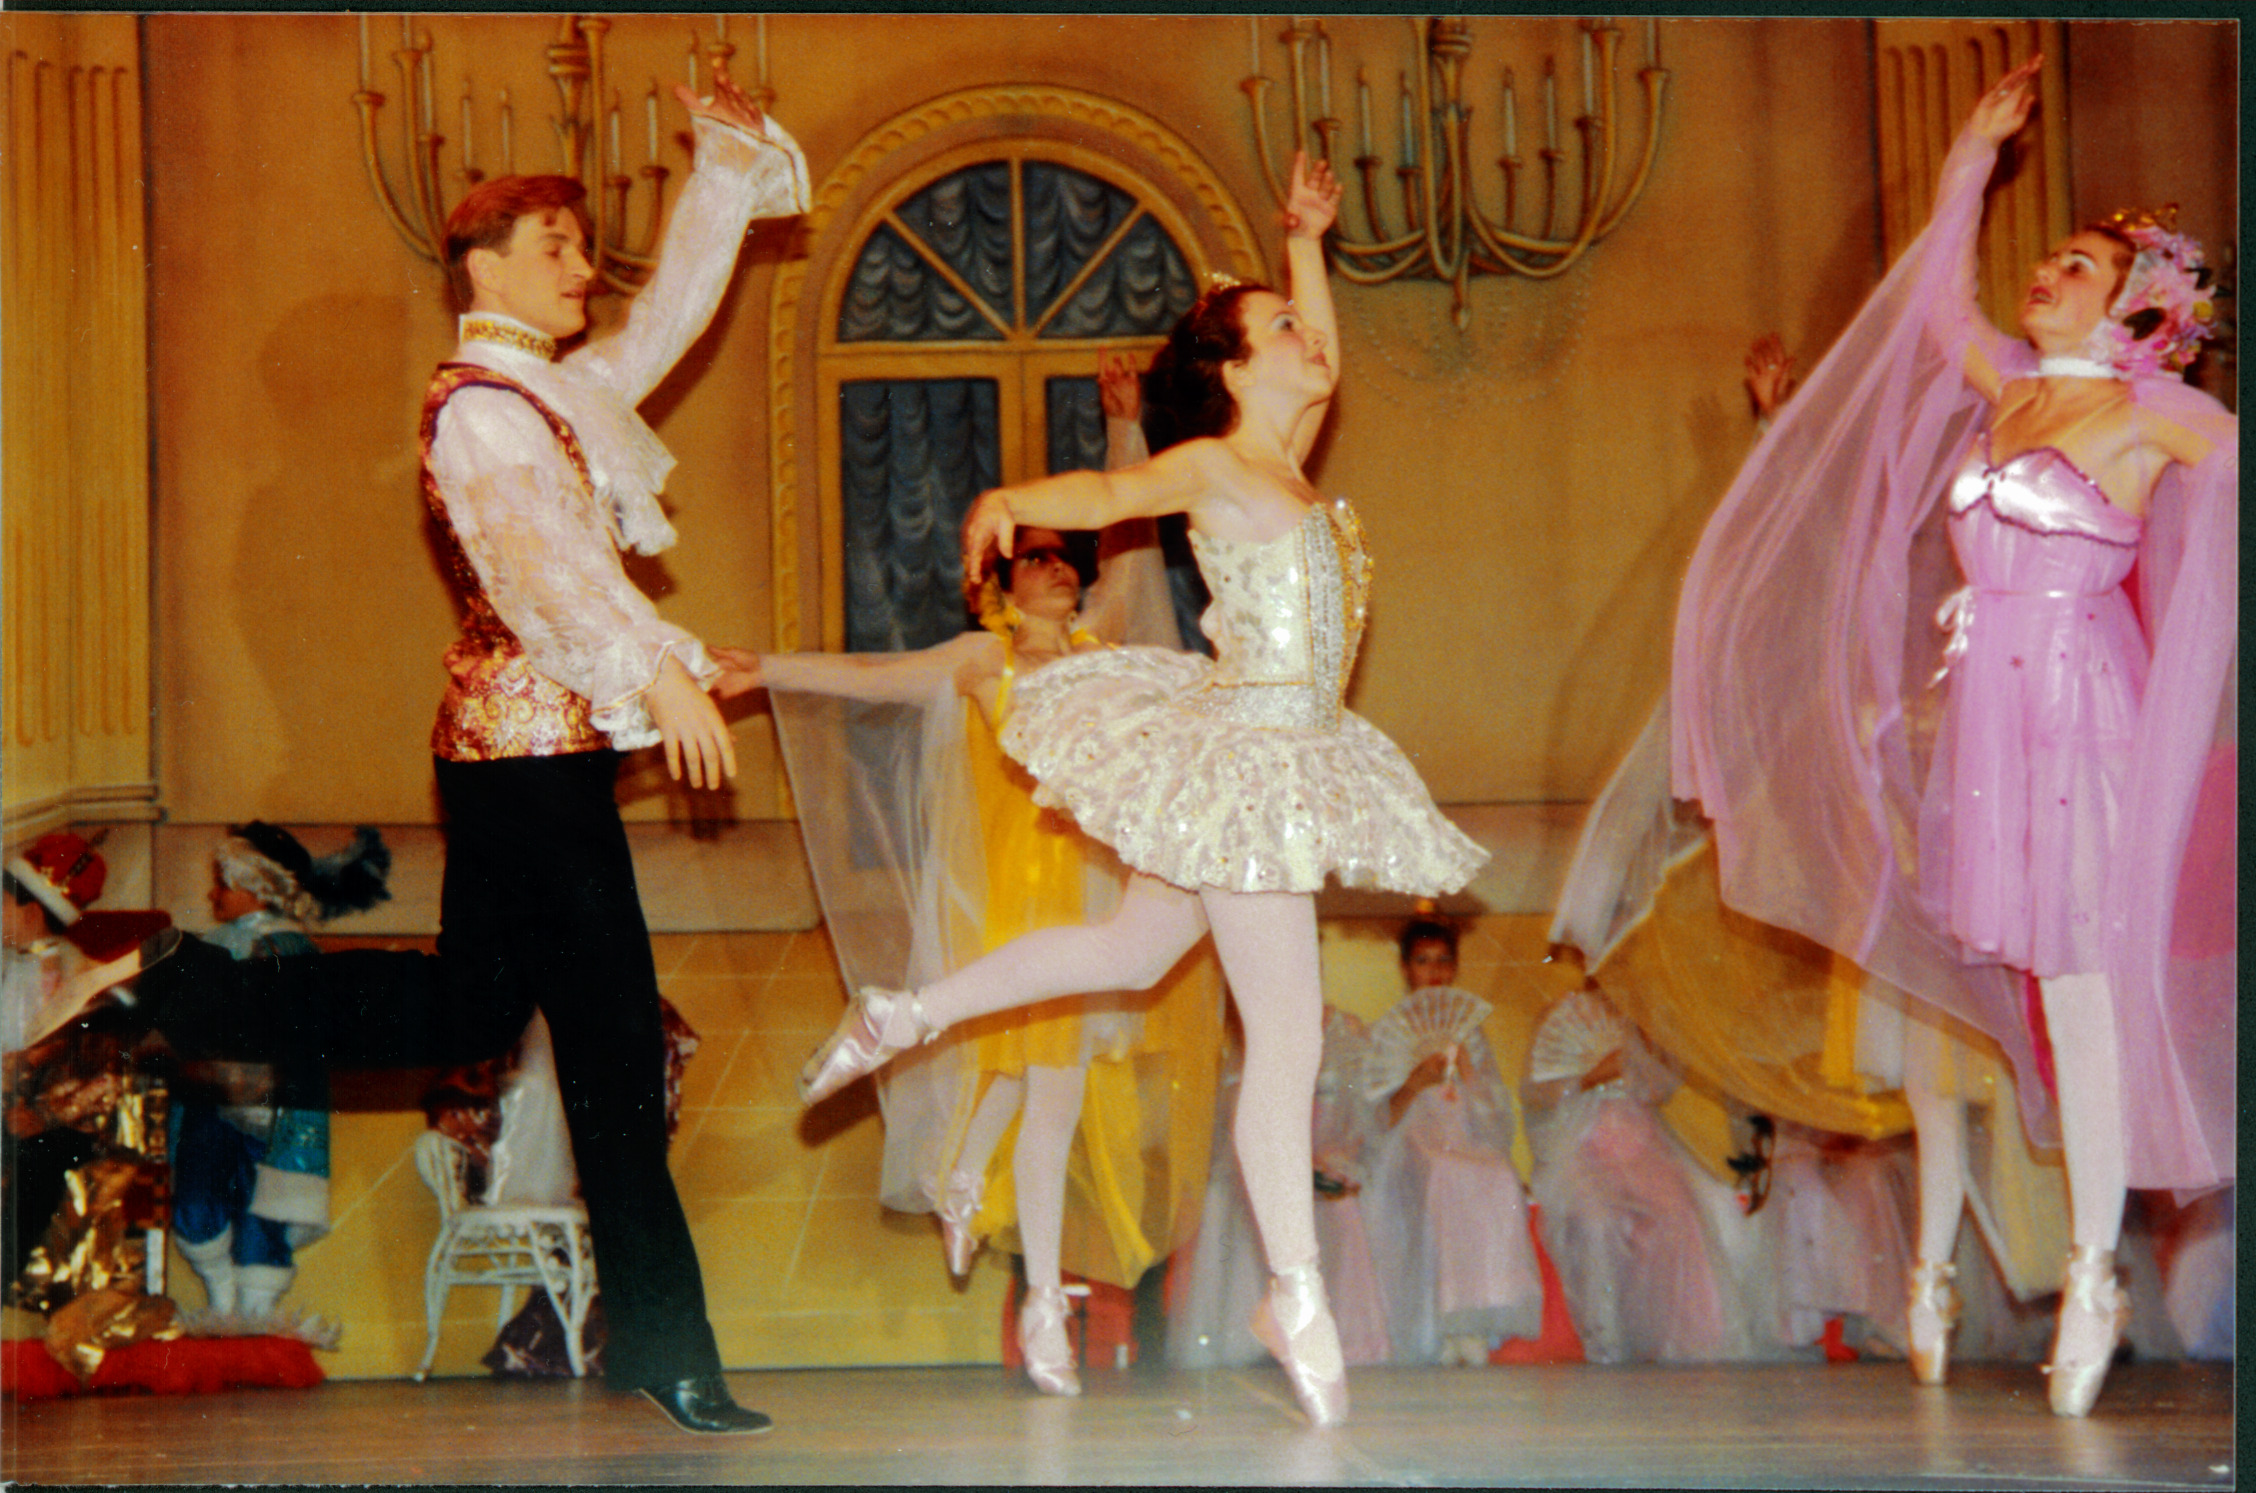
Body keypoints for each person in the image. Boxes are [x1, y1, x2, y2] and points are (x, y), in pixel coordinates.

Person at [97, 73, 810, 1434]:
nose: (585, 268)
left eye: (582, 246)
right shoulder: (482, 411)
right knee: (609, 1037)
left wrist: (724, 174)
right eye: (558, 246)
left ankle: (179, 985)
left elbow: (663, 325)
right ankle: (673, 1351)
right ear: (483, 264)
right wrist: (657, 669)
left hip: (526, 758)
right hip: (525, 768)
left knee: (469, 1016)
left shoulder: (545, 388)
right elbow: (546, 578)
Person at [787, 152, 1488, 1428]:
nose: (1309, 342)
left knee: (1127, 948)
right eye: (1281, 330)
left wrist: (1305, 244)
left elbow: (1326, 355)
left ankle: (903, 1013)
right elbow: (1114, 491)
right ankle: (1295, 1294)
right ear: (1234, 371)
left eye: (1300, 327)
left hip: (1264, 751)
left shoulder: (1290, 455)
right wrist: (1012, 495)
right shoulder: (1216, 464)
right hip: (1250, 761)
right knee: (1285, 1038)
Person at [1671, 55, 2236, 1416]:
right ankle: (2081, 1261)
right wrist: (1970, 159)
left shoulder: (2154, 415)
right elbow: (1937, 302)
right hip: (1990, 721)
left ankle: (2094, 1272)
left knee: (2088, 996)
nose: (2048, 272)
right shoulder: (2008, 386)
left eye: (2078, 267)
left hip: (2085, 718)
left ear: (2135, 307)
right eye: (2048, 258)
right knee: (2044, 989)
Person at [729, 363, 1222, 1396]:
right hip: (1017, 899)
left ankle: (980, 1202)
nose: (1057, 567)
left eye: (1062, 557)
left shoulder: (1101, 650)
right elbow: (872, 676)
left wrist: (1125, 430)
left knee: (1040, 1079)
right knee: (1040, 1084)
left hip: (1093, 902)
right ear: (999, 582)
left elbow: (1134, 547)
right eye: (1035, 556)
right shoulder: (981, 659)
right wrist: (768, 668)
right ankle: (1032, 1290)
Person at [168, 823, 389, 1332]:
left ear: (256, 888)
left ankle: (256, 1312)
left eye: (223, 884)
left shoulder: (290, 951)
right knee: (199, 1195)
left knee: (264, 1200)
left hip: (269, 1107)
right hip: (211, 1097)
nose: (213, 895)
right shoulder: (206, 948)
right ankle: (221, 1302)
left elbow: (301, 1031)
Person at [1359, 917, 1544, 1365]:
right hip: (1409, 1144)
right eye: (1423, 961)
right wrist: (1414, 1083)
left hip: (1462, 1139)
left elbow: (1496, 1117)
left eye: (1444, 960)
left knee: (1498, 1176)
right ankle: (1443, 1322)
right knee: (1443, 1175)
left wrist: (1467, 1071)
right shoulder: (1387, 1034)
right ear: (1406, 968)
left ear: (1456, 966)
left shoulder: (1470, 1035)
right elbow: (1373, 1122)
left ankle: (1475, 1320)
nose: (1435, 971)